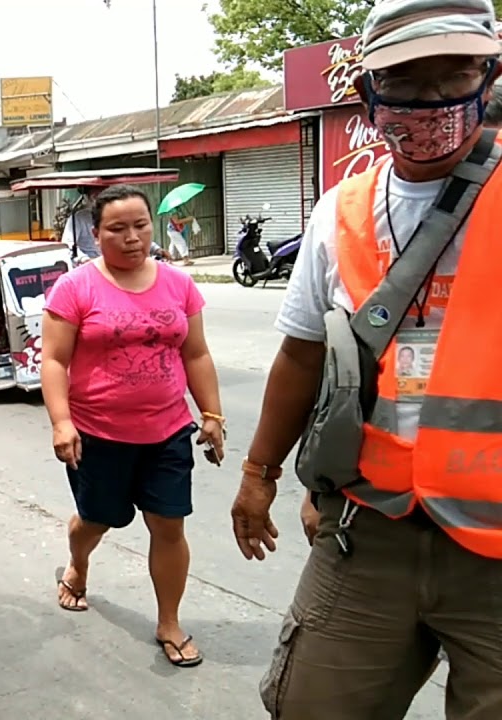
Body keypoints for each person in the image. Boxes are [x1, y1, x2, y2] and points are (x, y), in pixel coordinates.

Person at [233, 2, 502, 717]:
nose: (434, 102)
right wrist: (259, 474)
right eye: (408, 83)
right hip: (370, 529)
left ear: (491, 76)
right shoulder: (340, 211)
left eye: (456, 76)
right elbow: (301, 355)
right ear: (368, 96)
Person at [41, 184, 223, 668]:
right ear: (96, 234)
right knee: (96, 520)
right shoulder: (75, 287)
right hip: (98, 433)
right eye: (117, 229)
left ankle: (169, 621)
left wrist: (212, 415)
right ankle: (78, 564)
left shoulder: (178, 284)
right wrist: (62, 423)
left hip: (167, 431)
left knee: (168, 523)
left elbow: (196, 353)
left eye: (140, 225)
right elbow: (54, 361)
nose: (131, 237)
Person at [62, 188, 102, 262]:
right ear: (88, 197)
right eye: (94, 196)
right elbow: (68, 244)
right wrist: (84, 259)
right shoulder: (78, 218)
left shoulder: (116, 216)